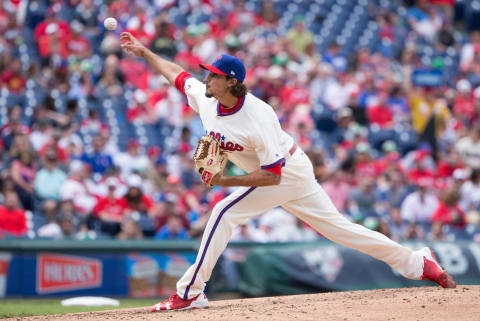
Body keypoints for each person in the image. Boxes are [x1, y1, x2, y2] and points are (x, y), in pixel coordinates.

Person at [119, 32, 456, 313]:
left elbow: (273, 177)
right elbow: (178, 75)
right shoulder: (208, 99)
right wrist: (144, 51)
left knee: (223, 211)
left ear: (231, 82)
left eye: (213, 75)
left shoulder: (259, 116)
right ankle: (417, 263)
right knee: (342, 231)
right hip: (295, 170)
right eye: (207, 73)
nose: (206, 78)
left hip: (286, 173)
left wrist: (225, 181)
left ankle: (191, 292)